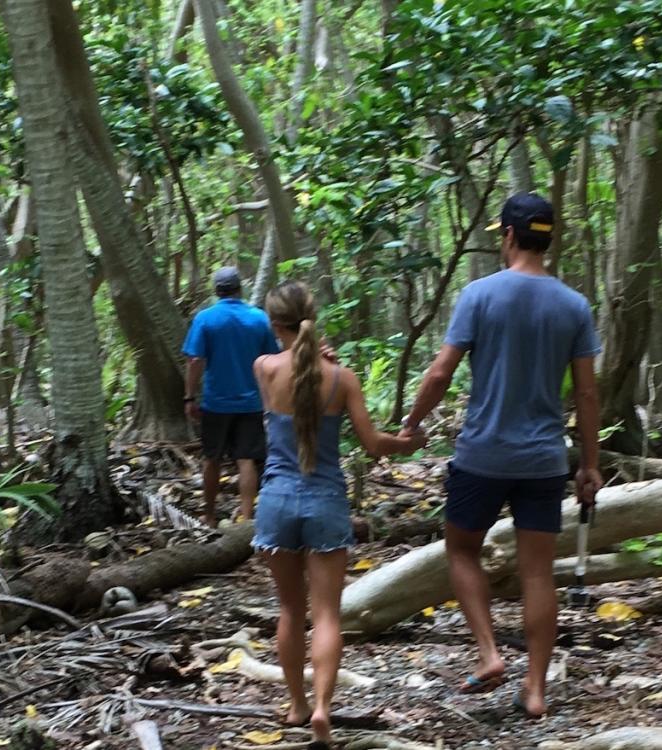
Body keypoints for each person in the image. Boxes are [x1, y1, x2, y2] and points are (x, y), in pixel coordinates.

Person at [399, 192, 604, 718]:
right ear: (548, 238)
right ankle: (535, 690)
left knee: (462, 550)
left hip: (482, 455)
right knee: (538, 573)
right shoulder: (574, 306)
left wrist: (415, 421)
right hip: (543, 460)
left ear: (508, 236)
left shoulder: (479, 295)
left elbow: (441, 371)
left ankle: (490, 654)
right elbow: (585, 394)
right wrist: (590, 463)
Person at [254, 281, 426, 747]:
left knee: (290, 609)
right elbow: (374, 445)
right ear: (314, 317)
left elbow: (286, 379)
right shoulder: (341, 378)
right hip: (326, 500)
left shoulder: (264, 368)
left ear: (275, 325)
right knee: (326, 614)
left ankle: (296, 705)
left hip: (275, 500)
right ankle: (324, 710)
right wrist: (408, 443)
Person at [184, 268, 281, 525]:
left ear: (217, 291)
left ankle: (209, 514)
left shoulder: (205, 318)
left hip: (216, 402)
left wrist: (189, 396)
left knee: (211, 457)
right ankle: (247, 517)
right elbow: (272, 359)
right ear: (240, 289)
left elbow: (195, 359)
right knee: (246, 459)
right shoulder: (259, 318)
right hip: (251, 402)